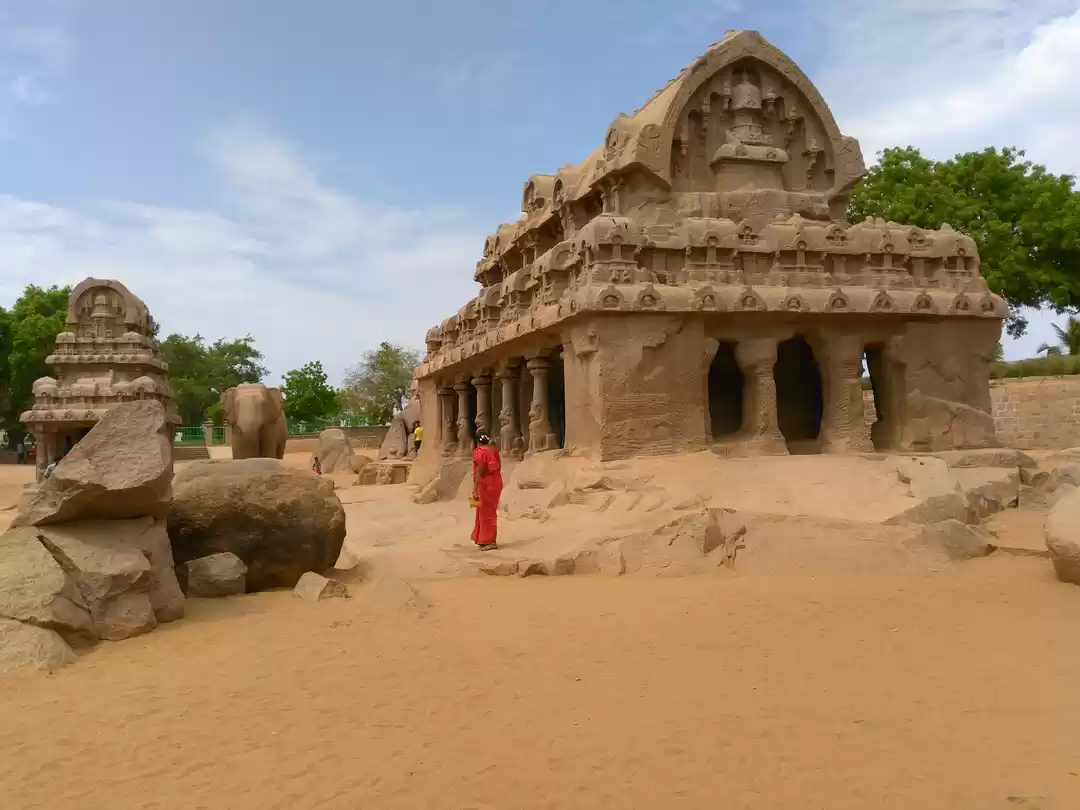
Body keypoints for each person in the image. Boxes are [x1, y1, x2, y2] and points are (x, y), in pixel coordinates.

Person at [471, 429, 503, 551]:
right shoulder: (494, 449)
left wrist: (474, 489)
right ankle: (483, 539)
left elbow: (479, 471)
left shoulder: (479, 452)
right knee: (488, 511)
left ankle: (489, 541)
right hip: (496, 483)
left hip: (484, 485)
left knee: (485, 513)